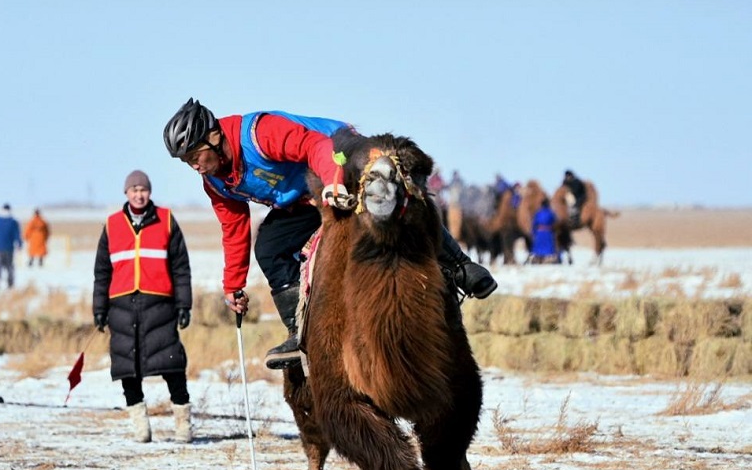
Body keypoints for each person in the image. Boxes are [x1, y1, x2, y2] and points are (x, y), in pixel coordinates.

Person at [163, 98, 497, 370]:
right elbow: (233, 228)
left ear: (214, 137)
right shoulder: (215, 181)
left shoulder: (258, 133)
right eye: (186, 161)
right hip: (302, 198)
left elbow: (314, 145)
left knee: (389, 195)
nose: (194, 165)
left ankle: (460, 267)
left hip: (340, 155)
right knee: (268, 247)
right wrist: (233, 285)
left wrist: (334, 181)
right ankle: (300, 332)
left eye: (195, 155)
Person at [93, 170, 193, 444]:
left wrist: (184, 304)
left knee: (172, 365)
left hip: (160, 306)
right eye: (134, 190)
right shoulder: (112, 225)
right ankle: (140, 427)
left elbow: (181, 267)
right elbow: (102, 272)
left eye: (143, 190)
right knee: (127, 369)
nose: (139, 195)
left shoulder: (166, 219)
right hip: (121, 307)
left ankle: (183, 424)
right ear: (126, 193)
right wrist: (99, 308)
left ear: (150, 192)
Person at [0, 205, 22, 290]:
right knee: (9, 266)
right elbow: (17, 234)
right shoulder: (13, 222)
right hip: (8, 247)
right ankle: (10, 284)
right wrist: (19, 244)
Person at [529, 197, 559, 264]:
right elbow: (556, 221)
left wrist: (533, 232)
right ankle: (547, 260)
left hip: (539, 233)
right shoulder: (551, 213)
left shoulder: (538, 213)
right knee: (549, 248)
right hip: (548, 233)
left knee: (538, 248)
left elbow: (534, 223)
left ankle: (539, 259)